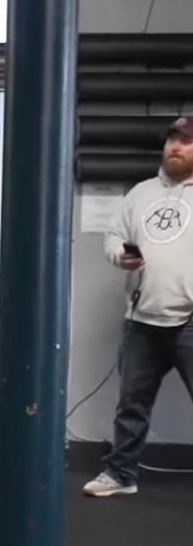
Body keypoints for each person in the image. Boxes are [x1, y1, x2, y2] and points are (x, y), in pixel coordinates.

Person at [83, 116, 193, 498]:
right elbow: (115, 235)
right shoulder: (141, 193)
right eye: (172, 140)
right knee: (131, 403)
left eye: (186, 142)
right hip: (142, 319)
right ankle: (121, 475)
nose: (176, 147)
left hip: (190, 321)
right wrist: (119, 255)